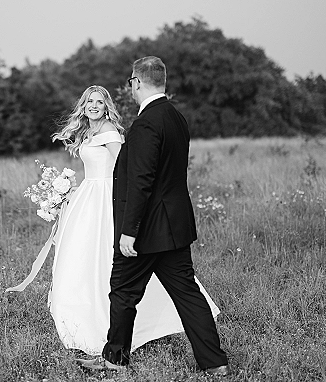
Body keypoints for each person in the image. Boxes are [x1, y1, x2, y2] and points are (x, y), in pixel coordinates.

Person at [76, 57, 229, 375]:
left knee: (122, 291)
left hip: (145, 230)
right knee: (187, 293)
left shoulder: (147, 123)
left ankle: (113, 361)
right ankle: (216, 363)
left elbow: (142, 181)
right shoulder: (176, 118)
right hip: (175, 226)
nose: (130, 88)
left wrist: (129, 231)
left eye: (131, 83)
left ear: (137, 83)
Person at [47, 85, 221, 356]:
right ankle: (90, 317)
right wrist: (68, 191)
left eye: (100, 102)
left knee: (115, 267)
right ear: (83, 105)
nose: (94, 105)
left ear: (107, 107)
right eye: (90, 101)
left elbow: (125, 170)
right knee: (82, 257)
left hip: (109, 199)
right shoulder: (88, 132)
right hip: (88, 197)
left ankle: (116, 338)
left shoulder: (109, 133)